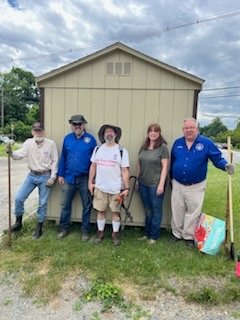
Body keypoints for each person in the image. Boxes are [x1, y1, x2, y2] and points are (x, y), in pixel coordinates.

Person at [170, 118, 235, 247]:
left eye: (191, 128)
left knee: (193, 211)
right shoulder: (177, 143)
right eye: (186, 128)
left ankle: (188, 236)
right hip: (177, 183)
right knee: (177, 209)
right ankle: (176, 233)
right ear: (183, 130)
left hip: (196, 185)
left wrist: (225, 166)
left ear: (197, 129)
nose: (188, 130)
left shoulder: (206, 143)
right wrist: (171, 179)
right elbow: (172, 161)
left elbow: (217, 159)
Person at [6, 122, 58, 239]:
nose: (38, 133)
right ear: (32, 132)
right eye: (36, 131)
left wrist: (53, 177)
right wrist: (11, 153)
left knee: (42, 203)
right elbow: (20, 154)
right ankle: (18, 223)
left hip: (45, 176)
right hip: (31, 176)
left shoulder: (50, 144)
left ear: (44, 132)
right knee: (19, 198)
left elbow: (55, 161)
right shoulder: (28, 143)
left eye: (40, 131)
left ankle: (39, 228)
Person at [88, 124, 130, 246]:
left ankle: (115, 234)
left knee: (115, 212)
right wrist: (90, 182)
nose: (109, 134)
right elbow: (93, 166)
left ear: (116, 135)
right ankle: (100, 232)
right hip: (100, 187)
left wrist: (126, 188)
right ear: (103, 135)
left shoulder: (122, 151)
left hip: (116, 189)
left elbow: (125, 170)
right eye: (107, 132)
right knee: (100, 211)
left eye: (112, 132)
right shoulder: (98, 149)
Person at [57, 114, 97, 241]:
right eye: (74, 124)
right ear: (71, 126)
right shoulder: (67, 139)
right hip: (69, 177)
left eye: (79, 124)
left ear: (84, 125)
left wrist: (93, 179)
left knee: (87, 205)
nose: (77, 126)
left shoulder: (91, 140)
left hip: (85, 178)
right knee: (65, 204)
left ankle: (85, 230)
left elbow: (95, 161)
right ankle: (64, 228)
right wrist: (61, 174)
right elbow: (63, 157)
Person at [136, 123, 169, 244]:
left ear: (159, 133)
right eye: (151, 131)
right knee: (147, 209)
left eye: (156, 131)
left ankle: (154, 236)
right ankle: (147, 233)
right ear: (148, 133)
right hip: (143, 183)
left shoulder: (163, 148)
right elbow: (139, 163)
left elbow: (165, 167)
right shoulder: (144, 147)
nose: (153, 133)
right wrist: (138, 180)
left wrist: (161, 184)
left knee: (156, 210)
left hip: (155, 184)